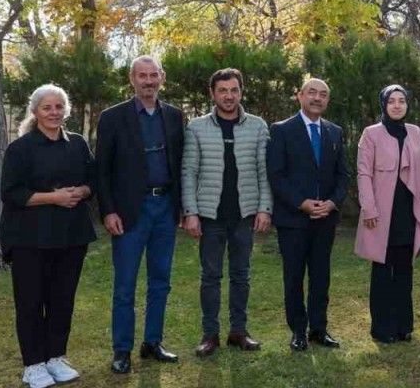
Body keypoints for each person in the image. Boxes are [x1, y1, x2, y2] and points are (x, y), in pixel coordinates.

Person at [0, 85, 97, 388]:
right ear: (35, 112)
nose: (54, 112)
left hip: (71, 236)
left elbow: (93, 181)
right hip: (29, 239)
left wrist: (80, 191)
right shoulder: (20, 149)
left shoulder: (77, 144)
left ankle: (55, 357)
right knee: (31, 302)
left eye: (59, 107)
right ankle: (33, 365)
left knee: (62, 300)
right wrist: (53, 198)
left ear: (66, 110)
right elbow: (11, 193)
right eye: (47, 108)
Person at [96, 55, 185, 374]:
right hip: (130, 211)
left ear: (162, 77)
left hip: (165, 208)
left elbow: (180, 163)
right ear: (132, 79)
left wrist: (182, 207)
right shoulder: (112, 117)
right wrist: (108, 210)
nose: (148, 81)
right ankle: (122, 350)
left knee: (160, 281)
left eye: (153, 75)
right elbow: (102, 170)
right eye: (142, 76)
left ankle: (152, 342)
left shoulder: (174, 115)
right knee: (125, 285)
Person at [180, 68, 273, 357]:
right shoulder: (196, 127)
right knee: (210, 277)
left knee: (241, 276)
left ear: (241, 92)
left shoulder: (257, 126)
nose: (229, 96)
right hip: (210, 216)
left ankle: (239, 331)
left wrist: (264, 208)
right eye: (223, 90)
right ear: (213, 94)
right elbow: (189, 172)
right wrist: (190, 212)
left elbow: (264, 172)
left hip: (244, 215)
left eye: (234, 90)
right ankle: (210, 334)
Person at [267, 77, 349, 352]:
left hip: (325, 219)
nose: (317, 98)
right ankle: (298, 331)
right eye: (311, 92)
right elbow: (276, 175)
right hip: (293, 219)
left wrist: (332, 202)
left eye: (322, 94)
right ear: (300, 96)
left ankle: (319, 329)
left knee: (321, 277)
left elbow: (343, 176)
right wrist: (300, 203)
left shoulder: (335, 132)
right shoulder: (281, 130)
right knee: (293, 278)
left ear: (327, 100)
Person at [354, 84, 420, 344]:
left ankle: (403, 326)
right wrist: (368, 207)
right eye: (392, 101)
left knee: (404, 269)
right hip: (380, 212)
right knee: (382, 270)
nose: (397, 105)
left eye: (402, 100)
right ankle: (382, 328)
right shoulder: (371, 133)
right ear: (384, 104)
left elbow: (419, 171)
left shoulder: (414, 132)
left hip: (407, 210)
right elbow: (363, 172)